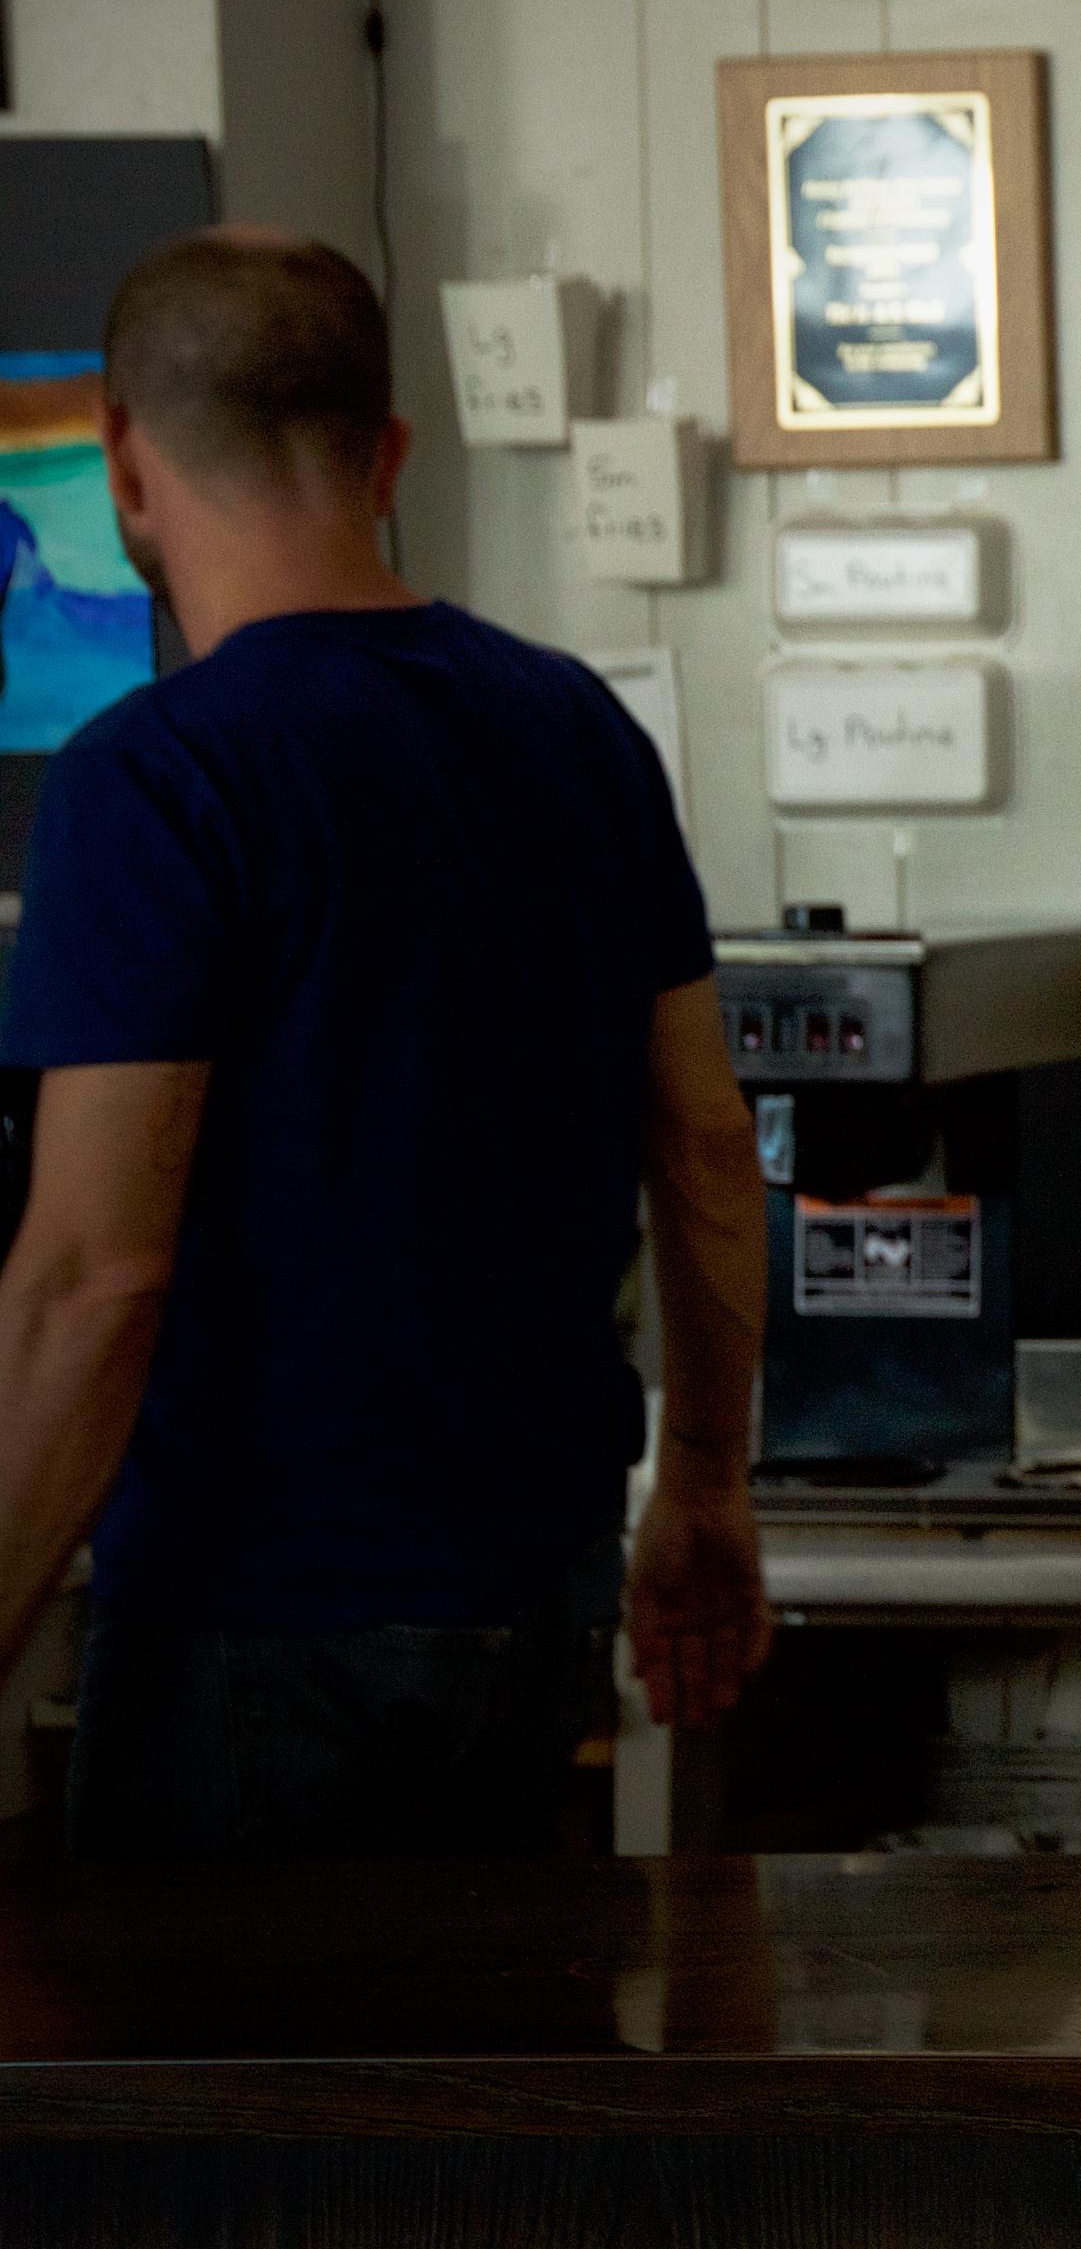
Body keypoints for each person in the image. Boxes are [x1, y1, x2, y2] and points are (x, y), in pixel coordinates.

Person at [0, 230, 774, 1860]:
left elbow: (90, 1287)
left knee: (233, 2116)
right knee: (476, 2103)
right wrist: (704, 1477)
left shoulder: (152, 781)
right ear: (391, 454)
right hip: (534, 1603)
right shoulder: (579, 732)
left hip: (252, 1621)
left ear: (123, 462)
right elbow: (707, 1144)